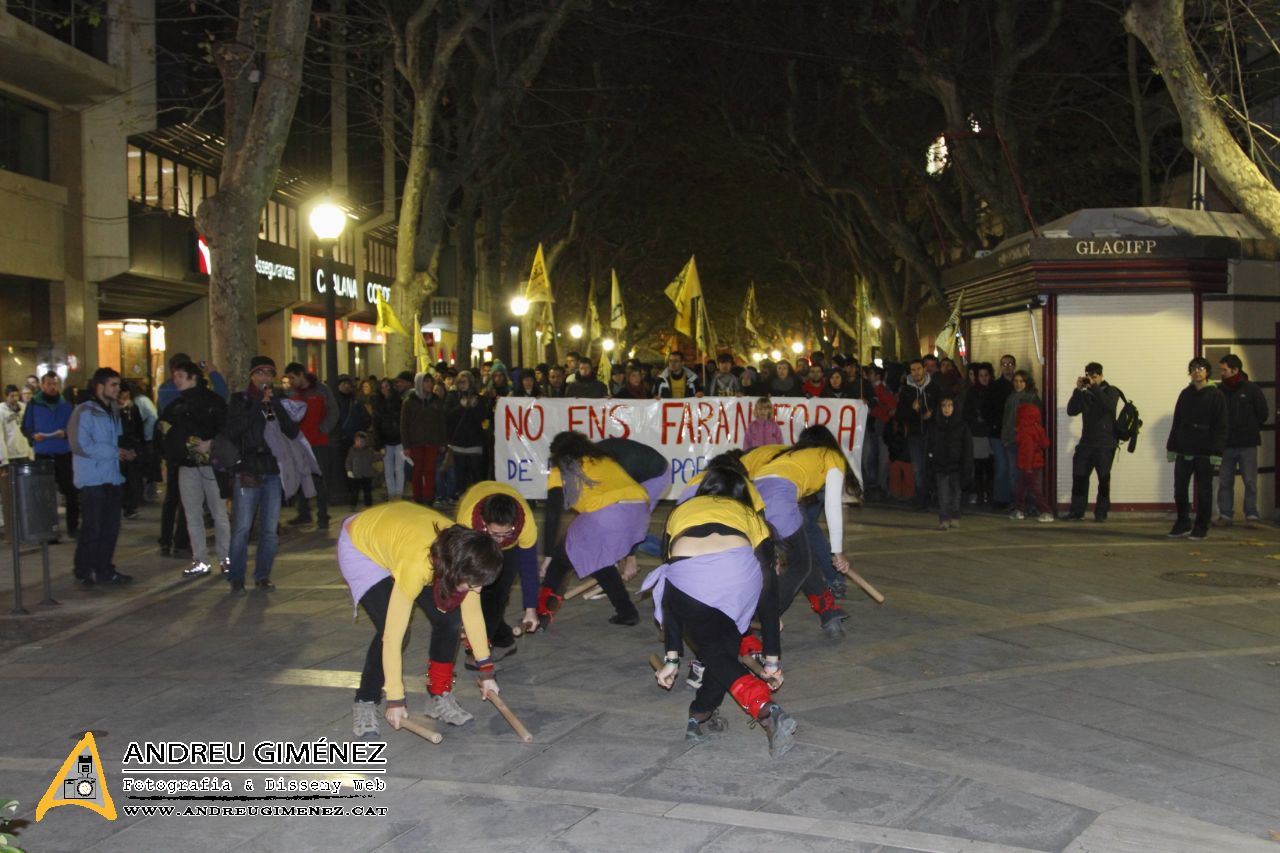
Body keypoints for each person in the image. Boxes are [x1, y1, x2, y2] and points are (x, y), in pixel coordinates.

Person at [644, 465, 797, 757]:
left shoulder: (681, 510)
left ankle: (760, 711)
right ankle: (701, 713)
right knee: (722, 647)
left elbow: (672, 584)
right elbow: (768, 590)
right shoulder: (749, 515)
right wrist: (772, 662)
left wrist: (672, 659)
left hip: (689, 579)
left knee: (715, 647)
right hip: (737, 572)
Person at [337, 503, 503, 737]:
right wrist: (395, 698)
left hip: (402, 538)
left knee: (450, 620)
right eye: (473, 584)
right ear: (454, 573)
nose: (477, 590)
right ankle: (366, 700)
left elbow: (473, 615)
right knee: (392, 628)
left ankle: (438, 695)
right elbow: (392, 637)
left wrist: (486, 670)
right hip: (361, 547)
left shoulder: (465, 556)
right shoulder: (418, 566)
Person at [535, 431, 650, 627]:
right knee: (596, 559)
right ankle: (627, 612)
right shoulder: (604, 459)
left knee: (562, 557)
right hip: (639, 510)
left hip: (608, 512)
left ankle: (540, 614)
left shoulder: (561, 467)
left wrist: (548, 555)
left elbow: (553, 512)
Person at [751, 425, 854, 639]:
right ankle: (759, 618)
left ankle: (827, 611)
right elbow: (832, 506)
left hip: (751, 496)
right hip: (779, 496)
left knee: (802, 556)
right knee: (800, 564)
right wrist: (837, 552)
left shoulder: (793, 455)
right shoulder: (831, 456)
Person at [221, 356, 300, 591]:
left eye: (269, 373)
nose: (265, 378)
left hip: (272, 469)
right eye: (260, 373)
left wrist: (276, 406)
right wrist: (258, 406)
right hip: (248, 468)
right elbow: (233, 431)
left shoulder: (276, 401)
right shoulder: (240, 400)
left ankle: (262, 575)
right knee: (242, 528)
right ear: (252, 376)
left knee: (269, 530)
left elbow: (292, 431)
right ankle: (236, 576)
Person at [160, 361, 230, 577]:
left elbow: (227, 429)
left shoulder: (213, 401)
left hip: (211, 466)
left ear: (193, 378)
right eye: (174, 376)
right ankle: (200, 559)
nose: (176, 380)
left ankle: (226, 558)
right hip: (186, 465)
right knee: (192, 514)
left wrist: (211, 443)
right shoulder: (177, 404)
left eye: (180, 376)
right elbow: (166, 429)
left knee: (219, 513)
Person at [67, 368, 133, 585]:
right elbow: (79, 444)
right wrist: (114, 452)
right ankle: (84, 569)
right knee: (93, 527)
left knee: (110, 528)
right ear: (100, 387)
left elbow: (117, 439)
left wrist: (125, 452)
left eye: (118, 384)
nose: (118, 389)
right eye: (113, 384)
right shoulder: (84, 411)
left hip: (111, 477)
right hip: (92, 479)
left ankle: (104, 568)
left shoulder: (113, 410)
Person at [454, 482, 540, 648]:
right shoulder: (467, 523)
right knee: (479, 589)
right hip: (478, 541)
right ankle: (499, 638)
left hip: (510, 548)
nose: (500, 540)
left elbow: (529, 568)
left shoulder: (526, 523)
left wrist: (531, 609)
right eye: (496, 534)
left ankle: (485, 642)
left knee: (499, 592)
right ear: (484, 523)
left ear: (515, 523)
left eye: (506, 533)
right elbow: (459, 569)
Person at [1167, 357, 1227, 540]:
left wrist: (1217, 451)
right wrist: (1172, 446)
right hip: (1184, 449)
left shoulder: (1216, 395)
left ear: (1207, 372)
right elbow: (1177, 421)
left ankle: (1201, 526)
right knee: (1179, 489)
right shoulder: (1185, 394)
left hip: (1205, 451)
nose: (1197, 372)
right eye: (1193, 369)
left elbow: (1221, 425)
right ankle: (1183, 522)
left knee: (1204, 491)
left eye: (1200, 369)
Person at [21, 372, 78, 538]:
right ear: (42, 385)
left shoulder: (66, 404)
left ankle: (73, 528)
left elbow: (75, 426)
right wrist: (33, 435)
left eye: (55, 384)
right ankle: (48, 531)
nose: (52, 387)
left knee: (71, 492)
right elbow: (25, 427)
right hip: (43, 454)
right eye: (49, 384)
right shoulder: (34, 404)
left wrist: (65, 433)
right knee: (45, 495)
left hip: (63, 453)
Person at [1064, 362, 1122, 522]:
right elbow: (1071, 410)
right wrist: (1078, 390)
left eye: (1095, 377)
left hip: (1105, 445)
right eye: (1089, 376)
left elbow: (1108, 406)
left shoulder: (1111, 391)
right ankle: (1077, 511)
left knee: (1103, 479)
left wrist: (1094, 388)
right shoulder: (1086, 393)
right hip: (1086, 444)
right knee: (1079, 477)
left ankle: (1101, 512)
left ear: (1101, 376)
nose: (1092, 379)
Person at [1216, 354, 1268, 526]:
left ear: (1235, 370)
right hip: (1226, 444)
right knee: (1225, 481)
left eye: (1224, 370)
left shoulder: (1251, 389)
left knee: (1250, 481)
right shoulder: (1220, 391)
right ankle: (1225, 515)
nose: (1221, 373)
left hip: (1247, 443)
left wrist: (1249, 428)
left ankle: (1251, 514)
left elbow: (1263, 413)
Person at [284, 363, 337, 530]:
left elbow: (333, 412)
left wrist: (323, 429)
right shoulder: (291, 393)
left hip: (318, 442)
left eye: (292, 377)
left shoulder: (322, 390)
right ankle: (304, 512)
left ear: (301, 374)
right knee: (300, 477)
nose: (291, 381)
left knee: (319, 479)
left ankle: (323, 514)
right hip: (298, 442)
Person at [896, 359, 938, 510]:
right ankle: (921, 499)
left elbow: (942, 406)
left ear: (924, 369)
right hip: (914, 434)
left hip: (931, 433)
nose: (916, 372)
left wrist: (932, 413)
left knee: (930, 465)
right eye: (913, 370)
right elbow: (899, 414)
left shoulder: (934, 387)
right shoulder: (906, 390)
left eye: (918, 369)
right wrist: (912, 409)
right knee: (918, 467)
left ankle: (932, 495)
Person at [401, 372, 446, 506]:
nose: (429, 384)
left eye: (430, 382)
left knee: (430, 471)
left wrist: (443, 442)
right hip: (416, 442)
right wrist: (406, 445)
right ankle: (418, 497)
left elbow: (441, 423)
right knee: (417, 471)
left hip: (432, 442)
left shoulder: (436, 401)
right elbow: (404, 425)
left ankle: (428, 497)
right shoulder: (409, 402)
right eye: (426, 381)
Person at [1001, 369, 1042, 515]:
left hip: (1026, 441)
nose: (1018, 384)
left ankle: (1029, 504)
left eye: (1021, 381)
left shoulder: (1032, 399)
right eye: (1016, 381)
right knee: (1013, 473)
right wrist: (1005, 437)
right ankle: (1017, 503)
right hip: (1011, 440)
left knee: (1027, 474)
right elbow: (1007, 419)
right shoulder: (1011, 398)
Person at [444, 371, 491, 497]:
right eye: (460, 382)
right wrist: (461, 406)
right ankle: (462, 498)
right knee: (460, 476)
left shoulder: (479, 399)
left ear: (470, 383)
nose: (462, 384)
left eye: (465, 382)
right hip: (458, 444)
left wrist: (474, 406)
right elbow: (448, 416)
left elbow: (482, 417)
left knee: (476, 474)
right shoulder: (452, 397)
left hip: (474, 443)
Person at [929, 397, 973, 530]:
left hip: (957, 466)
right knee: (943, 495)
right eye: (944, 405)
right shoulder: (935, 426)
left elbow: (967, 449)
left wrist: (966, 467)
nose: (947, 408)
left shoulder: (962, 426)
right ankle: (944, 519)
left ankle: (955, 516)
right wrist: (931, 461)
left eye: (949, 405)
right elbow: (930, 446)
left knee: (956, 494)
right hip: (940, 466)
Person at [1011, 397, 1055, 522]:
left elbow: (1028, 450)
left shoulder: (1025, 431)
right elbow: (1045, 443)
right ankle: (1019, 509)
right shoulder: (1037, 428)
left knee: (1033, 489)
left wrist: (1028, 467)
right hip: (1036, 463)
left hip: (1028, 465)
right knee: (1022, 487)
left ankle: (1046, 511)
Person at [985, 355, 1018, 509]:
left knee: (1013, 467)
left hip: (1014, 433)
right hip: (997, 433)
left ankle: (1014, 498)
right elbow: (987, 408)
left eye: (1010, 364)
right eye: (1004, 364)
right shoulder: (995, 386)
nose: (1007, 367)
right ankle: (1000, 498)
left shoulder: (1018, 386)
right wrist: (993, 426)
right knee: (1002, 465)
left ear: (1014, 366)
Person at [374, 373, 411, 499]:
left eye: (387, 386)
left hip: (398, 439)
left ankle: (398, 494)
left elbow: (404, 421)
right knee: (388, 469)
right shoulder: (378, 404)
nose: (385, 389)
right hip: (385, 440)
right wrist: (379, 444)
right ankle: (391, 493)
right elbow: (376, 425)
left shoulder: (399, 402)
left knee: (398, 468)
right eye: (383, 387)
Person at [345, 430, 377, 508]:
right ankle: (353, 505)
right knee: (354, 492)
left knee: (367, 492)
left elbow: (375, 458)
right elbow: (348, 461)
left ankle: (368, 505)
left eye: (362, 441)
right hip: (356, 475)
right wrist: (349, 470)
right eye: (358, 441)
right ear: (355, 441)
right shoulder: (352, 450)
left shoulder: (369, 450)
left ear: (366, 442)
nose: (360, 443)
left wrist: (381, 455)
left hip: (367, 475)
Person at [0, 384, 31, 463]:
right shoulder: (1, 410)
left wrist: (31, 451)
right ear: (6, 396)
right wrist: (3, 458)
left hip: (25, 452)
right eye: (12, 396)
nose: (15, 398)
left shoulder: (24, 408)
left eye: (17, 395)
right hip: (10, 454)